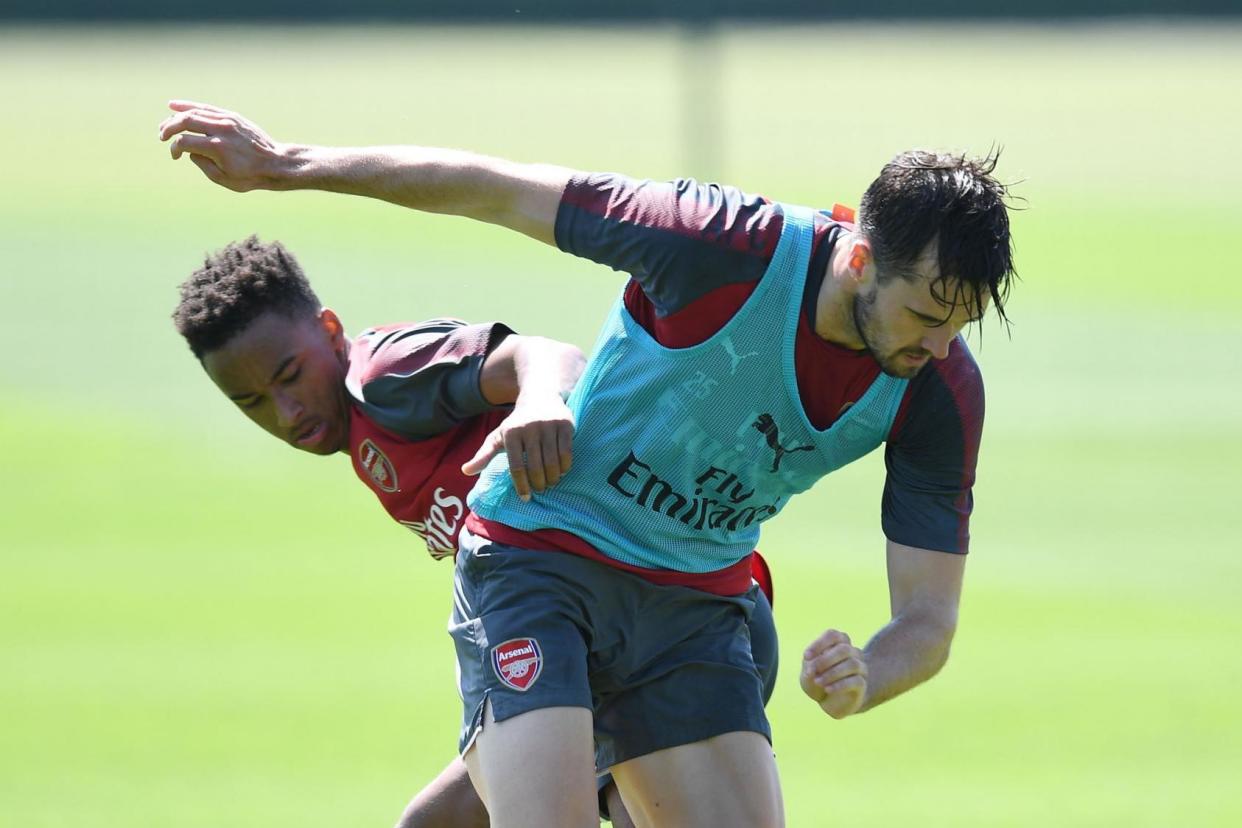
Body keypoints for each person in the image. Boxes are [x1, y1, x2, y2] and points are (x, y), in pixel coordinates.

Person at [160, 99, 1017, 828]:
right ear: (861, 259)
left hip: (697, 603)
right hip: (541, 557)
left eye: (963, 323)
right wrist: (287, 165)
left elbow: (928, 624)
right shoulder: (718, 244)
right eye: (923, 314)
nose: (941, 343)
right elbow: (495, 187)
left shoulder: (938, 390)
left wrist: (868, 676)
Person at [170, 235, 780, 827]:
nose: (286, 412)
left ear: (330, 332)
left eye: (289, 375)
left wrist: (540, 396)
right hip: (601, 638)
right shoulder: (360, 428)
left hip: (671, 626)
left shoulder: (383, 376)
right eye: (251, 401)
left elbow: (547, 356)